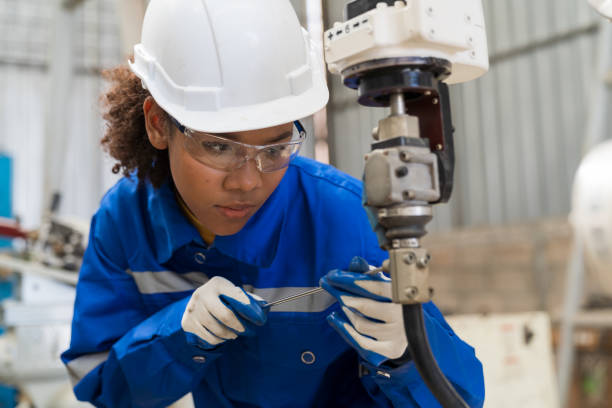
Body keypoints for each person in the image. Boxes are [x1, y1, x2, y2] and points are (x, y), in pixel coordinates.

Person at [61, 0, 485, 407]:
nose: (248, 181)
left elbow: (460, 399)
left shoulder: (345, 217)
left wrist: (407, 356)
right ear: (158, 124)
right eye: (217, 147)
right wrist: (176, 335)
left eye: (276, 146)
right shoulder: (124, 224)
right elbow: (103, 387)